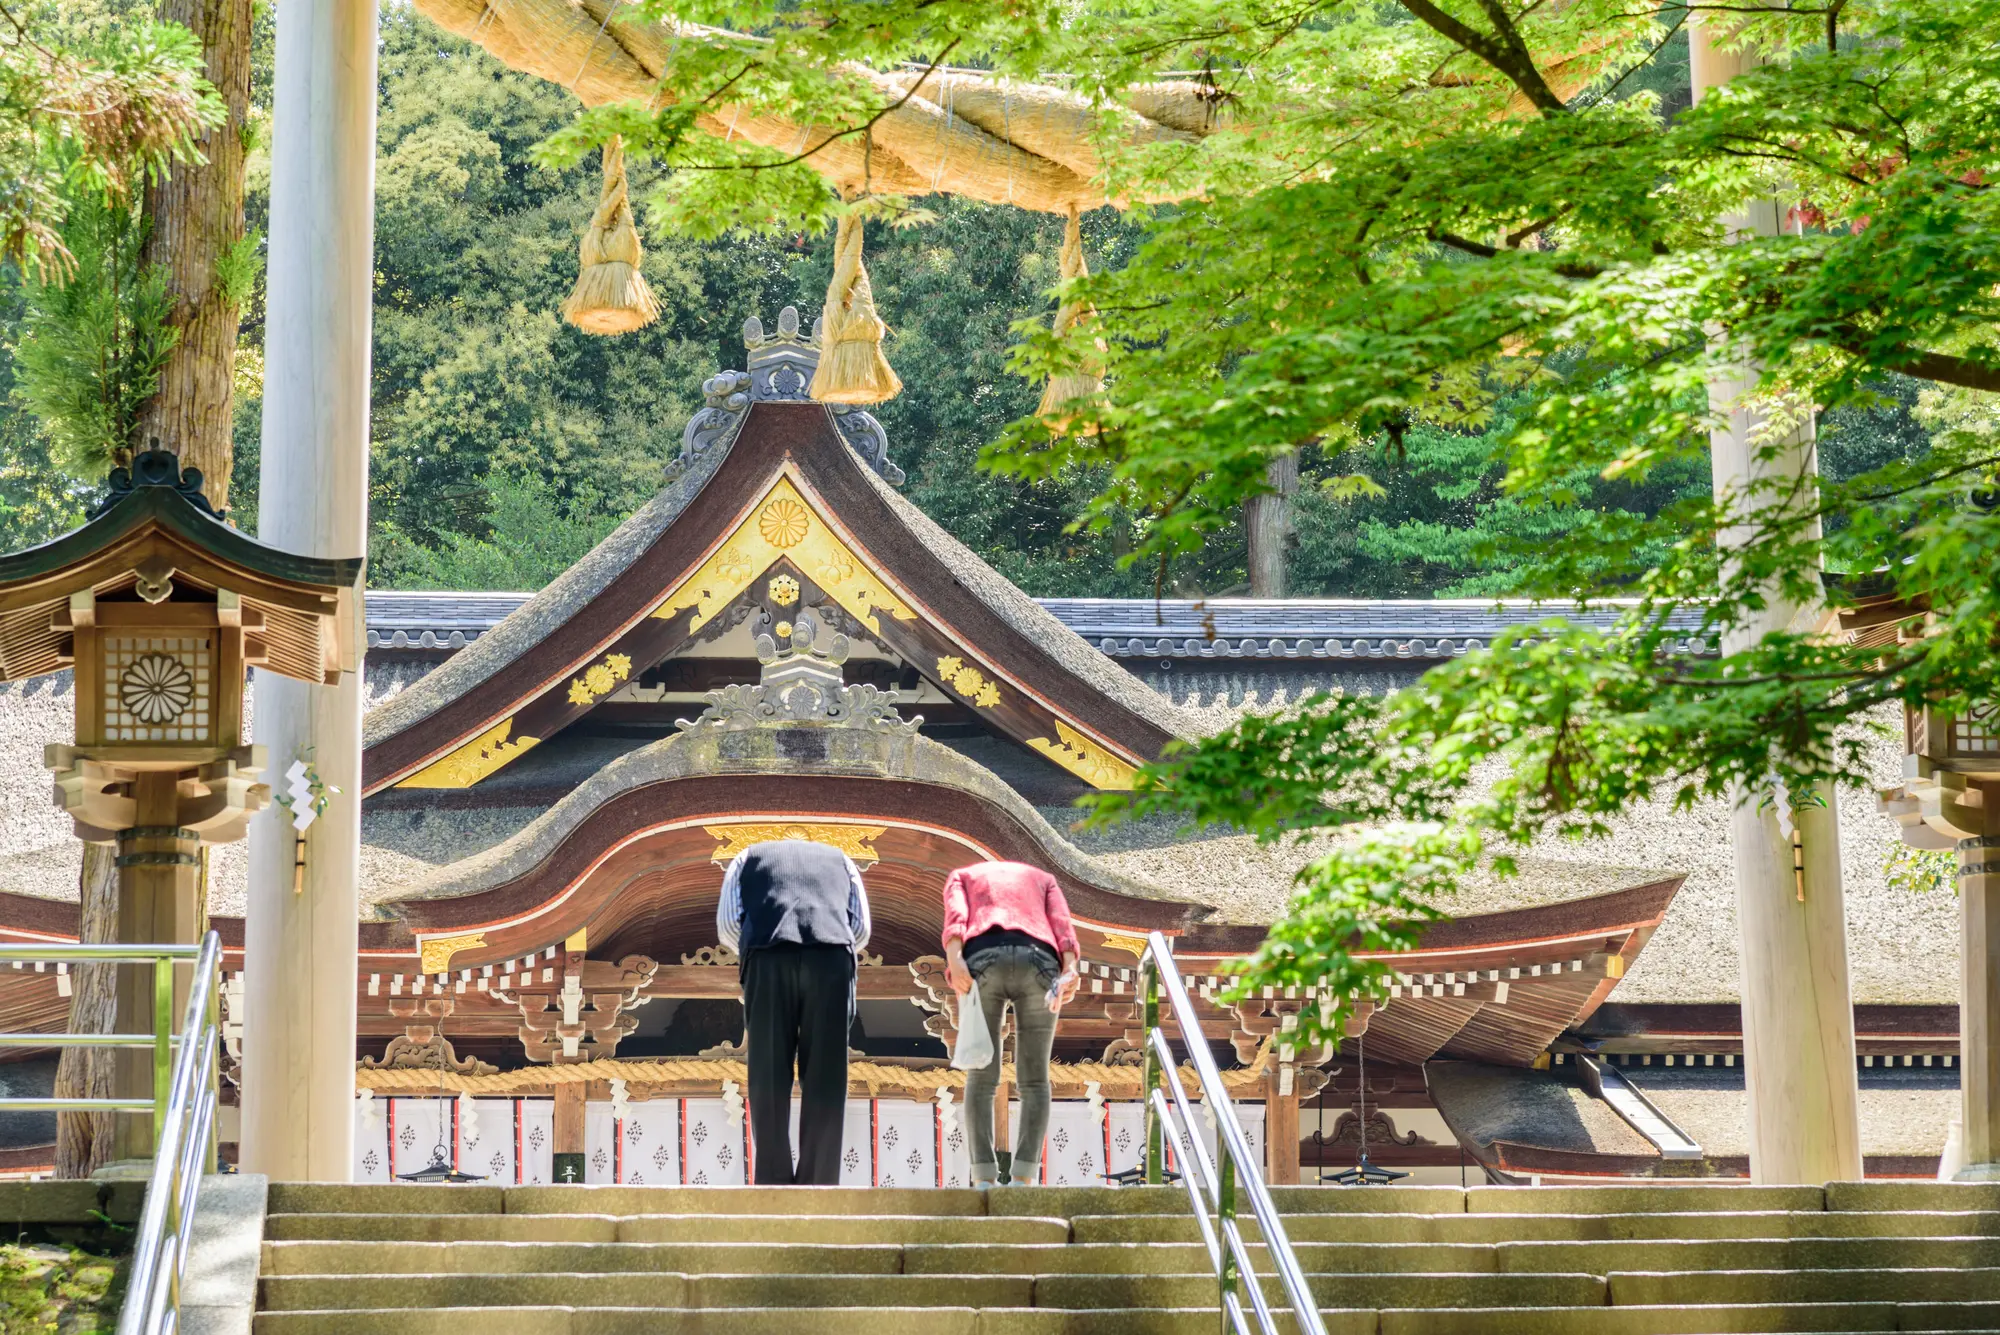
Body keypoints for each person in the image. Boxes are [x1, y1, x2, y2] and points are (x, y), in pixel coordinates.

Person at [717, 838, 871, 1185]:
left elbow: (727, 924)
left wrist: (757, 945)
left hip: (767, 952)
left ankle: (773, 1181)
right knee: (826, 1076)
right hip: (831, 955)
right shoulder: (842, 859)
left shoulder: (746, 857)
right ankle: (819, 1183)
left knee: (768, 1070)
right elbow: (860, 928)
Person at [943, 859, 1081, 1188]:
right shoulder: (1045, 879)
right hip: (1040, 960)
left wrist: (954, 959)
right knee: (1034, 1080)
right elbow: (1063, 926)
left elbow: (955, 919)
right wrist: (1071, 968)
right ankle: (1023, 1176)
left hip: (983, 958)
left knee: (981, 1076)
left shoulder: (961, 874)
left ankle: (984, 1177)